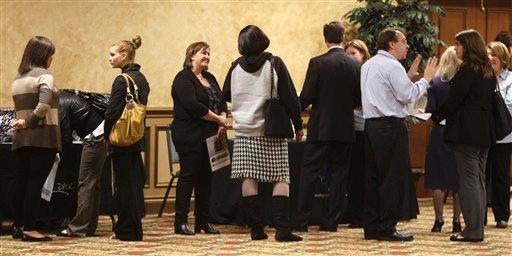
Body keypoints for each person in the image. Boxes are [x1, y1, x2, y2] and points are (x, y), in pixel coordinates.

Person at [223, 25, 303, 242]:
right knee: (280, 176)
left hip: (243, 130)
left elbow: (226, 94)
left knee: (249, 177)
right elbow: (289, 98)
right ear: (262, 40)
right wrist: (299, 125)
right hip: (270, 130)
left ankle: (256, 229)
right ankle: (282, 229)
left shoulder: (234, 67)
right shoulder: (274, 63)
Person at [361, 28, 437, 241]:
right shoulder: (392, 65)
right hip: (390, 128)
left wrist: (407, 76)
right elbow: (408, 95)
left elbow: (385, 92)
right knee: (390, 178)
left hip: (372, 127)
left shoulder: (369, 64)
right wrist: (426, 79)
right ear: (391, 44)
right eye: (404, 41)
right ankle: (387, 227)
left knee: (374, 177)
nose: (408, 45)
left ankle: (372, 227)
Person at [294, 21, 361, 232]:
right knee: (339, 176)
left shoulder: (317, 62)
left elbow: (306, 97)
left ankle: (302, 220)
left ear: (325, 39)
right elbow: (360, 99)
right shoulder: (356, 66)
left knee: (309, 173)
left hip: (320, 128)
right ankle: (331, 222)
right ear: (343, 38)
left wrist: (292, 111)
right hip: (345, 129)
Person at [431, 29, 496, 242]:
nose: (455, 48)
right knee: (478, 180)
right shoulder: (487, 68)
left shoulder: (467, 69)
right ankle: (477, 228)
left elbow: (454, 101)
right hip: (483, 132)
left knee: (468, 182)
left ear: (468, 46)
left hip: (466, 133)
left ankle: (472, 230)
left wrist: (436, 115)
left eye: (458, 44)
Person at [170, 41, 226, 236]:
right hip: (188, 135)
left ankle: (203, 222)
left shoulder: (210, 77)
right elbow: (194, 107)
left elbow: (221, 100)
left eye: (209, 53)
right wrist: (218, 118)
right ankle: (181, 222)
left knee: (207, 179)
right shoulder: (183, 78)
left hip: (210, 136)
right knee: (189, 176)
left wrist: (222, 120)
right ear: (192, 55)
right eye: (204, 53)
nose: (208, 56)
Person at [11, 36, 60, 242]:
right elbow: (43, 105)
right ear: (43, 54)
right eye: (50, 54)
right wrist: (29, 122)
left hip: (21, 139)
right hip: (42, 137)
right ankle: (31, 228)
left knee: (21, 182)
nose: (51, 59)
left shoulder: (18, 78)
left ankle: (19, 225)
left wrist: (23, 124)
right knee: (35, 183)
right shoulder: (45, 76)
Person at [104, 35, 150, 241]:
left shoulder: (121, 80)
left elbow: (112, 112)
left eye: (112, 55)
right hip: (136, 137)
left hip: (121, 140)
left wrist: (106, 135)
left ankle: (126, 231)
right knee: (133, 185)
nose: (109, 58)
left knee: (123, 187)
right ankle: (134, 229)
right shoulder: (142, 78)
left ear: (124, 56)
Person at [56, 90, 108, 237]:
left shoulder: (58, 102)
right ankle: (89, 226)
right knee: (93, 183)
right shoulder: (64, 96)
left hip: (94, 138)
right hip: (101, 134)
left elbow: (65, 135)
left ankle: (78, 228)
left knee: (85, 182)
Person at [424, 46, 462, 233]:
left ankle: (438, 220)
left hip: (439, 132)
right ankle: (457, 220)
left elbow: (430, 109)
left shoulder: (436, 83)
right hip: (459, 134)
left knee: (437, 178)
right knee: (458, 179)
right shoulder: (463, 83)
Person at [344, 39, 370, 228]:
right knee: (351, 174)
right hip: (347, 128)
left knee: (362, 172)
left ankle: (362, 214)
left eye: (353, 53)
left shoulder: (368, 71)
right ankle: (353, 213)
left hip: (364, 127)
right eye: (348, 53)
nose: (350, 57)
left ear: (363, 55)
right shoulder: (345, 72)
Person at [485, 41, 512, 229]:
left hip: (504, 136)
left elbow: (509, 106)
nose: (490, 58)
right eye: (488, 54)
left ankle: (502, 215)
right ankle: (480, 216)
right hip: (484, 135)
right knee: (482, 176)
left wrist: (495, 92)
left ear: (502, 58)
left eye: (494, 54)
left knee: (501, 176)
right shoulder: (482, 77)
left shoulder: (510, 79)